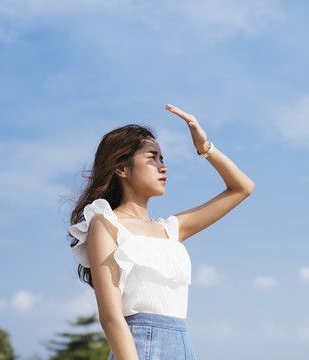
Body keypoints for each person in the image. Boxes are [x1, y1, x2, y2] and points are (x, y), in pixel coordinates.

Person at [68, 104, 255, 360]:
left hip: (184, 346)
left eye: (162, 159)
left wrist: (205, 148)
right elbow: (111, 319)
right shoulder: (105, 223)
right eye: (152, 157)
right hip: (139, 349)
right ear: (121, 169)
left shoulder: (170, 229)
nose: (163, 167)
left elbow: (242, 188)